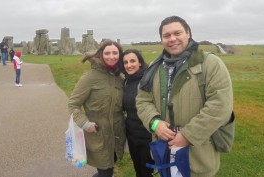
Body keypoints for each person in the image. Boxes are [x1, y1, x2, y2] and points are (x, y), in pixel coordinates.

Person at [136, 15, 233, 176]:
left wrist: (188, 135)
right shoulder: (154, 67)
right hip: (164, 153)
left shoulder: (210, 63)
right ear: (161, 39)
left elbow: (220, 105)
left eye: (177, 33)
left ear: (188, 33)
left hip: (197, 154)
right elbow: (142, 100)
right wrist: (154, 123)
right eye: (166, 36)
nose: (172, 39)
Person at [68, 39, 126, 177]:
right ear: (100, 54)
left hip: (116, 135)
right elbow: (73, 104)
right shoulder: (89, 77)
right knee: (105, 171)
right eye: (107, 53)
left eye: (115, 53)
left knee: (110, 167)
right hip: (98, 134)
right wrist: (85, 124)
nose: (111, 56)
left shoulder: (120, 78)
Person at [121, 49, 154, 177]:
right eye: (125, 62)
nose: (129, 65)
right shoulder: (126, 81)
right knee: (138, 170)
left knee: (146, 172)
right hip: (132, 135)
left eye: (132, 61)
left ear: (140, 62)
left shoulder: (149, 79)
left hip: (148, 135)